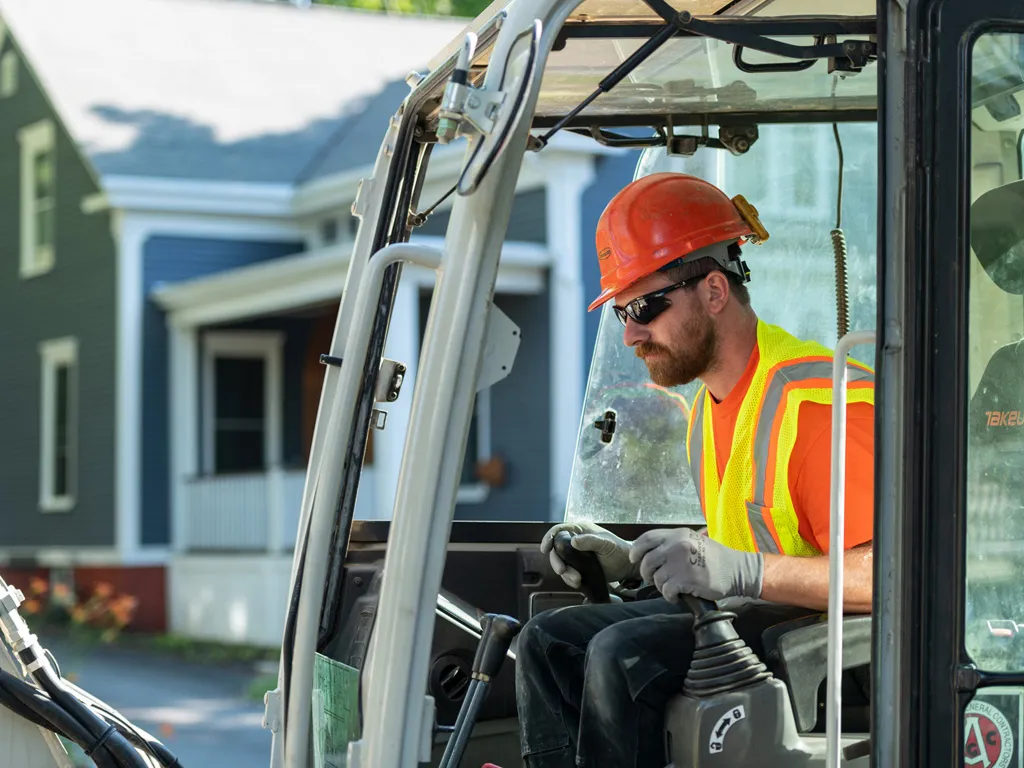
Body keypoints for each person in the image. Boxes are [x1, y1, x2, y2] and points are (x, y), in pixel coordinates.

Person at [513, 172, 876, 768]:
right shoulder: (708, 408)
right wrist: (632, 561)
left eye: (644, 306)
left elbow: (893, 579)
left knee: (620, 653)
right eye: (621, 312)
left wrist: (738, 571)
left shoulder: (819, 408)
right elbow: (751, 539)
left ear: (713, 291)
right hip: (763, 618)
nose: (631, 333)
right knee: (548, 641)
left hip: (834, 649)